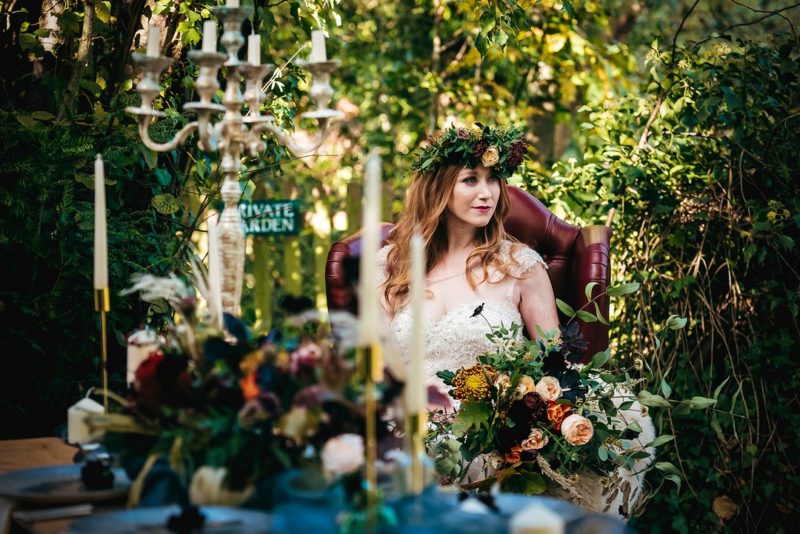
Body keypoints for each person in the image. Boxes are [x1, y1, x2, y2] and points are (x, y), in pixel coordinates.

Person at [378, 124, 560, 393]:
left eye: (493, 179)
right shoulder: (392, 265)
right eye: (471, 179)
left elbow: (554, 367)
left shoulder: (520, 266)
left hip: (489, 430)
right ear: (437, 190)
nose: (487, 193)